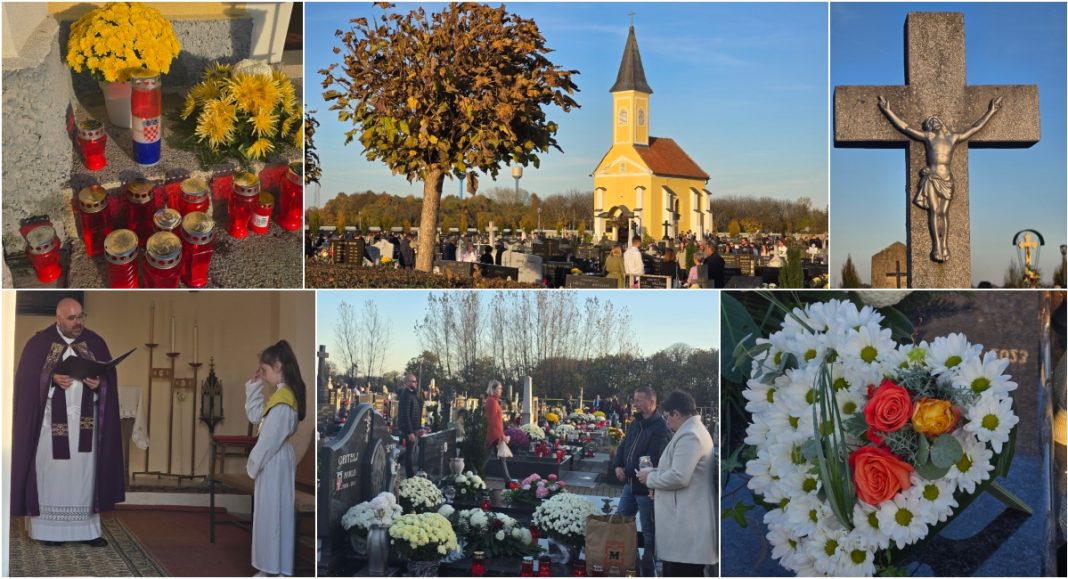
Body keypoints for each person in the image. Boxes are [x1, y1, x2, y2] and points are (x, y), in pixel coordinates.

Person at [11, 297, 125, 547]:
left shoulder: (95, 342)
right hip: (50, 428)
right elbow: (26, 384)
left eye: (81, 316)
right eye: (72, 318)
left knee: (85, 475)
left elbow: (108, 381)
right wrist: (51, 381)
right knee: (53, 474)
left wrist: (100, 385)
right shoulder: (38, 344)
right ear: (58, 318)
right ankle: (49, 532)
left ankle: (87, 531)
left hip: (85, 427)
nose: (78, 322)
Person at [877, 95, 1001, 262]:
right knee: (934, 211)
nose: (933, 123)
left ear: (942, 123)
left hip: (947, 179)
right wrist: (888, 111)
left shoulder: (953, 138)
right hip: (932, 177)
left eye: (935, 121)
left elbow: (974, 128)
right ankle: (937, 246)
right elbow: (906, 128)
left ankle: (944, 245)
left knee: (944, 213)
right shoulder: (929, 137)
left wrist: (991, 112)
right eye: (930, 123)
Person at [244, 340, 307, 577]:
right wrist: (254, 386)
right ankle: (270, 566)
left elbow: (269, 439)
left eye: (265, 370)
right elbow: (256, 418)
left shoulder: (284, 399)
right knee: (269, 512)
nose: (264, 375)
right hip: (275, 459)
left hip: (274, 458)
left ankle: (275, 569)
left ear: (278, 365)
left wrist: (253, 464)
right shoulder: (281, 395)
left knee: (273, 514)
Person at [637, 391, 716, 577]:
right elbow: (677, 470)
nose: (666, 422)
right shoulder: (690, 431)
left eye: (667, 417)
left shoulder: (690, 435)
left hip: (687, 526)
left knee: (682, 572)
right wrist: (655, 476)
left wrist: (651, 479)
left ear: (676, 414)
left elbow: (679, 476)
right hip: (683, 524)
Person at [613, 387, 670, 577]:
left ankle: (648, 567)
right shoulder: (636, 422)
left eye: (638, 400)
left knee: (648, 530)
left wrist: (627, 470)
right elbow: (624, 445)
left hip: (646, 487)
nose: (634, 404)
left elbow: (653, 458)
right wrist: (618, 465)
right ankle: (629, 560)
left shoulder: (661, 427)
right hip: (630, 485)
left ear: (651, 403)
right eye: (634, 400)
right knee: (622, 520)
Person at [483, 380, 511, 480]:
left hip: (495, 434)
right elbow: (493, 420)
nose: (501, 390)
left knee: (497, 459)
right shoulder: (491, 401)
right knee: (498, 459)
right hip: (494, 435)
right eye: (499, 388)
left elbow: (497, 421)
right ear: (493, 389)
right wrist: (501, 436)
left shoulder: (494, 401)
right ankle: (509, 483)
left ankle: (475, 477)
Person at [396, 373, 423, 478]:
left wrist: (419, 428)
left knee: (410, 452)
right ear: (406, 383)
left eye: (415, 381)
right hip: (408, 430)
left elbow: (417, 412)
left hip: (414, 428)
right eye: (412, 381)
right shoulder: (405, 396)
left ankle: (409, 474)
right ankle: (409, 476)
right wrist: (410, 432)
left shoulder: (413, 395)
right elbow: (406, 415)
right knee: (409, 454)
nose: (415, 383)